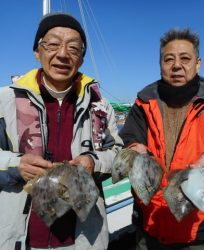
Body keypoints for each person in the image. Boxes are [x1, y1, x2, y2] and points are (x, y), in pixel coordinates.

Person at [0, 13, 123, 250]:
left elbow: (118, 152)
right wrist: (16, 165)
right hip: (18, 238)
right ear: (38, 51)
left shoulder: (99, 105)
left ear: (82, 58)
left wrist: (93, 162)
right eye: (53, 44)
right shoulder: (4, 100)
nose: (63, 54)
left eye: (74, 48)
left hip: (84, 239)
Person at [120, 28, 204, 250]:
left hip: (203, 230)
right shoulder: (143, 101)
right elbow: (130, 135)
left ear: (198, 63)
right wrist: (134, 148)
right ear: (160, 64)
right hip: (149, 224)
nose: (176, 65)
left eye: (185, 58)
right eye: (168, 59)